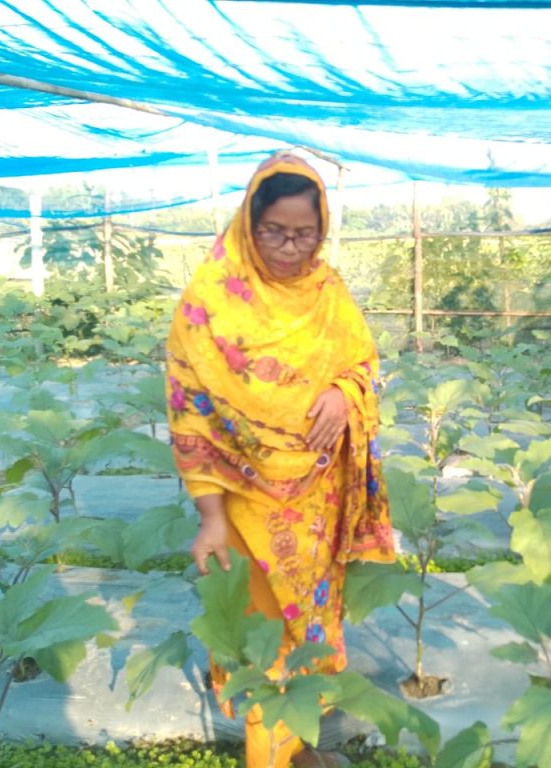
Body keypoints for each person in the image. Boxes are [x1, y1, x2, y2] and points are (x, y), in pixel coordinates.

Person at [165, 152, 394, 768]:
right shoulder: (209, 302)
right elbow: (192, 416)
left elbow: (364, 364)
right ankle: (269, 755)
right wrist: (210, 517)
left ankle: (296, 745)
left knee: (311, 629)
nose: (291, 247)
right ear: (249, 223)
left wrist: (345, 396)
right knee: (266, 640)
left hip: (315, 505)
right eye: (275, 231)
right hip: (246, 507)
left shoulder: (329, 291)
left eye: (306, 233)